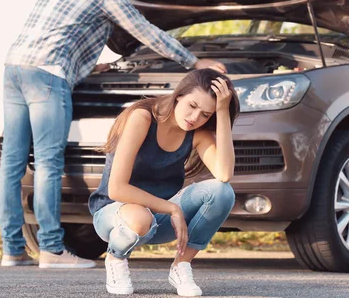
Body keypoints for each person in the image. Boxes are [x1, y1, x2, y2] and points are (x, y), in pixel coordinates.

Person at [0, 0, 227, 269]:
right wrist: (193, 62)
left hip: (15, 67)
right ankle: (50, 249)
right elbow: (145, 31)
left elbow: (59, 30)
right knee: (48, 162)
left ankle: (12, 250)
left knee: (12, 164)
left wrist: (87, 66)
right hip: (49, 74)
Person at [88, 68, 240, 296]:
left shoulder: (197, 132)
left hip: (159, 219)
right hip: (115, 216)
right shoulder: (143, 118)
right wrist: (172, 208)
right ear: (179, 95)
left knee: (222, 191)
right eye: (192, 106)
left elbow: (225, 173)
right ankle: (115, 258)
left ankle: (181, 265)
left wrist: (223, 112)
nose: (195, 118)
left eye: (206, 115)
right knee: (140, 217)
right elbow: (117, 188)